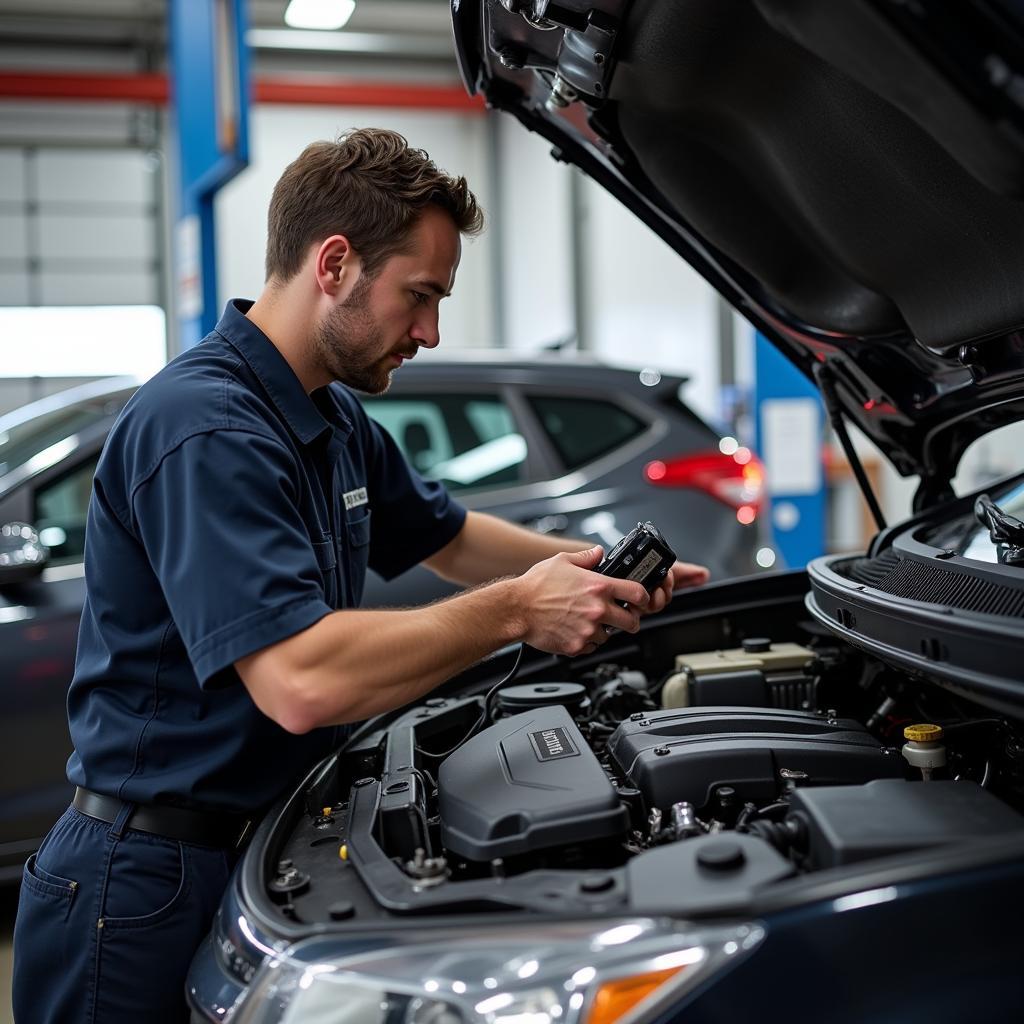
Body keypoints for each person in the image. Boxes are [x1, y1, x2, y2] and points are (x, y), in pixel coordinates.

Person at [12, 128, 708, 1022]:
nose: (430, 331)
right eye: (418, 296)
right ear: (333, 262)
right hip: (141, 886)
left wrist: (583, 571)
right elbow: (302, 680)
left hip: (253, 849)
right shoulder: (208, 428)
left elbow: (451, 539)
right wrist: (519, 611)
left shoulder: (328, 413)